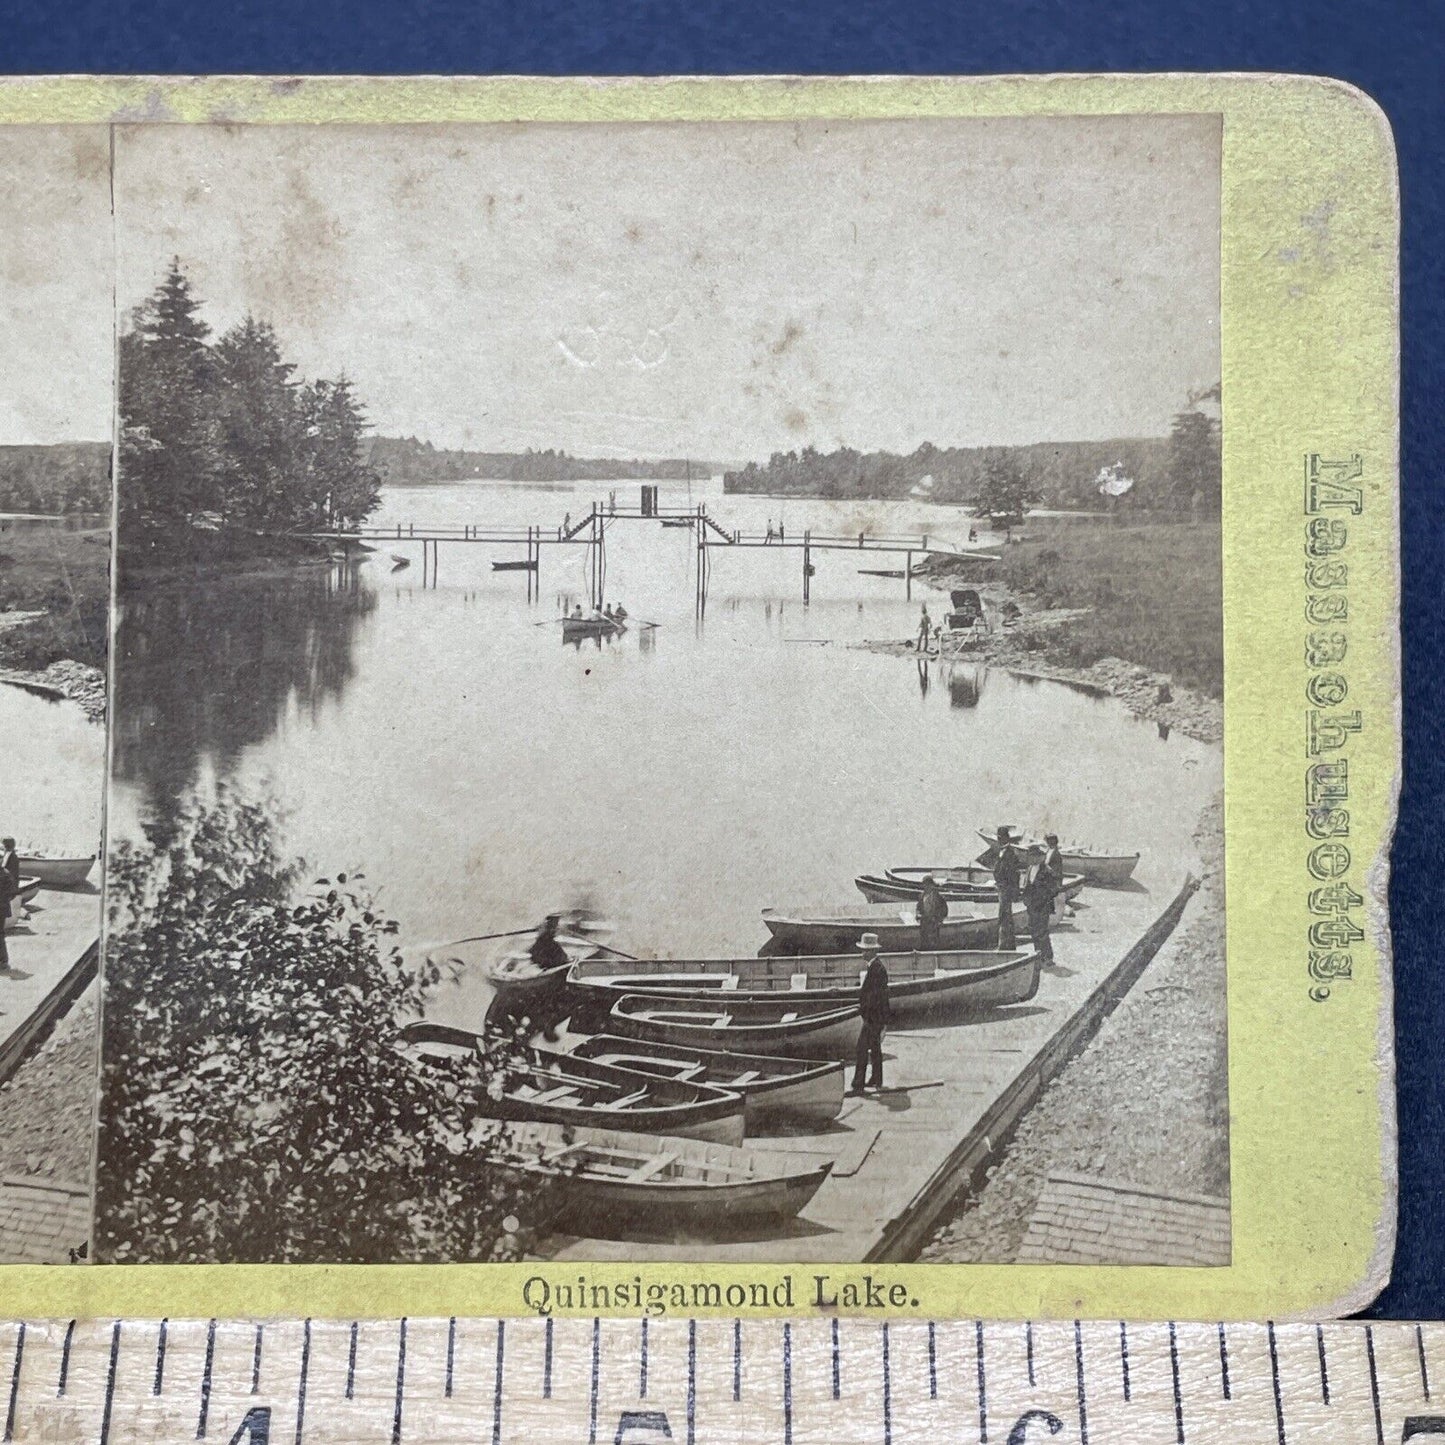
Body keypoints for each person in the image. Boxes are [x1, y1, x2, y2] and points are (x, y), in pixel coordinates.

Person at [848, 933, 890, 1095]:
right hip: (877, 1017)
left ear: (871, 951)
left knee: (861, 1049)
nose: (862, 953)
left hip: (873, 1017)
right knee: (875, 1047)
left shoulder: (877, 969)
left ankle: (858, 1084)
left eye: (864, 950)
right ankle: (876, 1079)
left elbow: (876, 997)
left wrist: (865, 1012)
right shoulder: (875, 967)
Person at [989, 826, 1024, 949]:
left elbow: (1014, 875)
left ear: (1006, 838)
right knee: (1005, 916)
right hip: (1002, 889)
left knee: (1004, 916)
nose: (999, 840)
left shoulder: (1010, 854)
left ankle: (1005, 945)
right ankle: (1007, 944)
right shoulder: (1002, 852)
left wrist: (1013, 892)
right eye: (998, 838)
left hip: (1006, 890)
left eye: (1000, 838)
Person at [1021, 854, 1058, 966]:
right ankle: (1039, 955)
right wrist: (1026, 900)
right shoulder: (1029, 869)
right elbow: (1027, 886)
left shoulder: (1047, 871)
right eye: (1030, 856)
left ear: (1039, 857)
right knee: (1033, 930)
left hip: (1043, 906)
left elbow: (1054, 889)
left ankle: (1048, 957)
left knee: (1042, 931)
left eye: (1033, 856)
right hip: (1032, 906)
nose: (1031, 859)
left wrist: (1043, 899)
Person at [915, 875, 948, 951]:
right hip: (924, 922)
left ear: (932, 885)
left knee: (934, 942)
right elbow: (918, 907)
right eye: (924, 885)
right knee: (924, 941)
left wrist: (939, 919)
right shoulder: (922, 896)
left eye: (927, 884)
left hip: (934, 922)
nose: (926, 886)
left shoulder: (938, 896)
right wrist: (918, 914)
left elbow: (944, 910)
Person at [0, 838, 19, 971]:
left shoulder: (4, 875)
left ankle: (3, 961)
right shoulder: (5, 874)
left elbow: (11, 892)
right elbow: (12, 893)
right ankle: (3, 961)